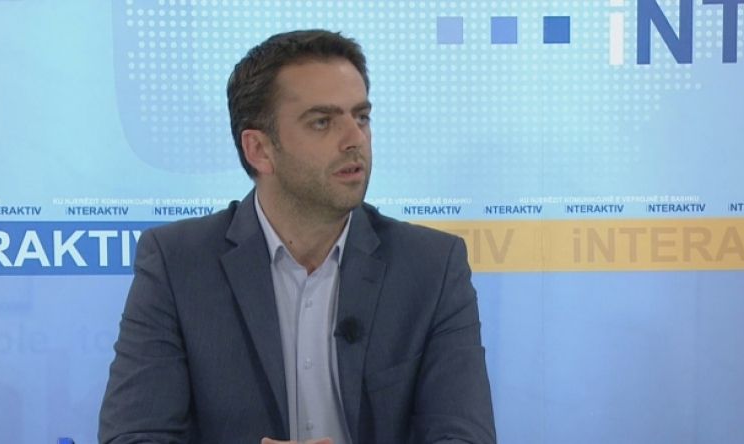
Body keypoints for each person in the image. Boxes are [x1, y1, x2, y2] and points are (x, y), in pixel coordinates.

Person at [99, 29, 496, 444]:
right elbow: (133, 436)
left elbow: (464, 438)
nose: (354, 140)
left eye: (361, 117)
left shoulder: (432, 267)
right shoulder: (177, 264)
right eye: (322, 122)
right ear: (259, 150)